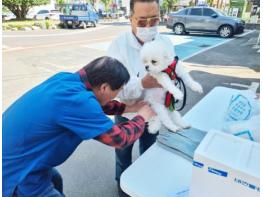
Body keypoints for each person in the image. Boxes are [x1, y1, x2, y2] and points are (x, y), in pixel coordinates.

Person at [2, 56, 156, 197]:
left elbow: (93, 105)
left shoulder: (65, 80)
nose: (117, 95)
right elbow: (119, 138)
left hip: (19, 154)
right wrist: (141, 117)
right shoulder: (77, 101)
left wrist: (128, 108)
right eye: (117, 91)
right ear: (104, 88)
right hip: (18, 172)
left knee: (55, 179)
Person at [107, 0, 175, 196]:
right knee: (123, 154)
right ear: (130, 20)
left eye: (154, 20)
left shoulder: (165, 43)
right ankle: (123, 188)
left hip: (154, 113)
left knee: (150, 153)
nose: (148, 27)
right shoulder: (118, 46)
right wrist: (142, 83)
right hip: (127, 114)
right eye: (142, 21)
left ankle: (144, 188)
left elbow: (173, 72)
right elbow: (116, 91)